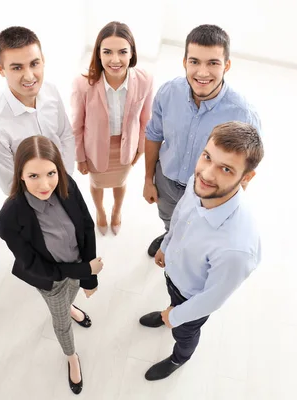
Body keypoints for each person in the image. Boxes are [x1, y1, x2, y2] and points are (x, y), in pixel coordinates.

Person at [139, 122, 264, 381]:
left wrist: (176, 316)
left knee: (185, 333)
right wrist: (166, 246)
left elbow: (211, 299)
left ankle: (179, 357)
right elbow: (179, 219)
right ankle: (169, 312)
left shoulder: (237, 250)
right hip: (175, 277)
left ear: (246, 178)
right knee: (173, 305)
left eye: (226, 169)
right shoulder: (200, 184)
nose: (207, 173)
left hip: (191, 298)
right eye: (207, 156)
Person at [0, 136, 103, 394]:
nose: (45, 184)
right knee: (60, 321)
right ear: (20, 174)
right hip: (50, 281)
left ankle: (70, 306)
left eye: (51, 173)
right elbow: (35, 265)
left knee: (71, 295)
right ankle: (71, 356)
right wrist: (85, 271)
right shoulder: (9, 217)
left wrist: (88, 278)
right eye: (33, 176)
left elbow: (87, 228)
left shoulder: (67, 185)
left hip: (77, 266)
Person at [143, 24, 261, 256]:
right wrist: (149, 179)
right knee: (170, 219)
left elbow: (245, 169)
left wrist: (225, 206)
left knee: (196, 234)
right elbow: (154, 136)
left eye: (213, 63)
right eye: (195, 61)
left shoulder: (243, 114)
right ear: (184, 61)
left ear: (226, 65)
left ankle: (183, 249)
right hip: (166, 182)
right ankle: (170, 234)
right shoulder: (168, 93)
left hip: (207, 192)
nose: (202, 72)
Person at [71, 21, 153, 235]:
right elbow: (77, 125)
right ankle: (99, 211)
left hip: (126, 147)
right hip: (95, 150)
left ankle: (117, 210)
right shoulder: (83, 84)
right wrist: (79, 157)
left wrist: (141, 149)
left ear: (132, 53)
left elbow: (146, 119)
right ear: (98, 53)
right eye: (107, 52)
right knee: (97, 184)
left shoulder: (145, 80)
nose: (115, 60)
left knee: (120, 181)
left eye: (122, 52)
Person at [0, 26, 75, 195]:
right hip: (31, 204)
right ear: (1, 69)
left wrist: (63, 181)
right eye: (17, 68)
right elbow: (11, 186)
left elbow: (65, 135)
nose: (29, 76)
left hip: (66, 186)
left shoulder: (51, 91)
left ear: (43, 60)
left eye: (34, 64)